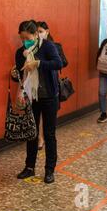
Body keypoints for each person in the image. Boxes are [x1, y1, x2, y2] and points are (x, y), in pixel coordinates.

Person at [11, 20, 63, 184]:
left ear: (35, 35)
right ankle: (29, 167)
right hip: (32, 97)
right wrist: (20, 90)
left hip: (49, 96)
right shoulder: (21, 52)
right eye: (22, 38)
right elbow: (21, 75)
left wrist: (38, 63)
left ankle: (49, 170)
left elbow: (58, 63)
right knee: (31, 133)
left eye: (27, 37)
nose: (25, 41)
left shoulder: (47, 46)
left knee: (49, 134)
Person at [36, 21, 68, 150]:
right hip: (37, 86)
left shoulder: (55, 46)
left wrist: (48, 63)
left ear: (47, 31)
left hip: (51, 85)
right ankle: (40, 137)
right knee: (38, 116)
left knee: (49, 119)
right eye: (36, 31)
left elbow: (63, 62)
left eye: (40, 31)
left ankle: (44, 136)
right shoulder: (34, 46)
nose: (38, 34)